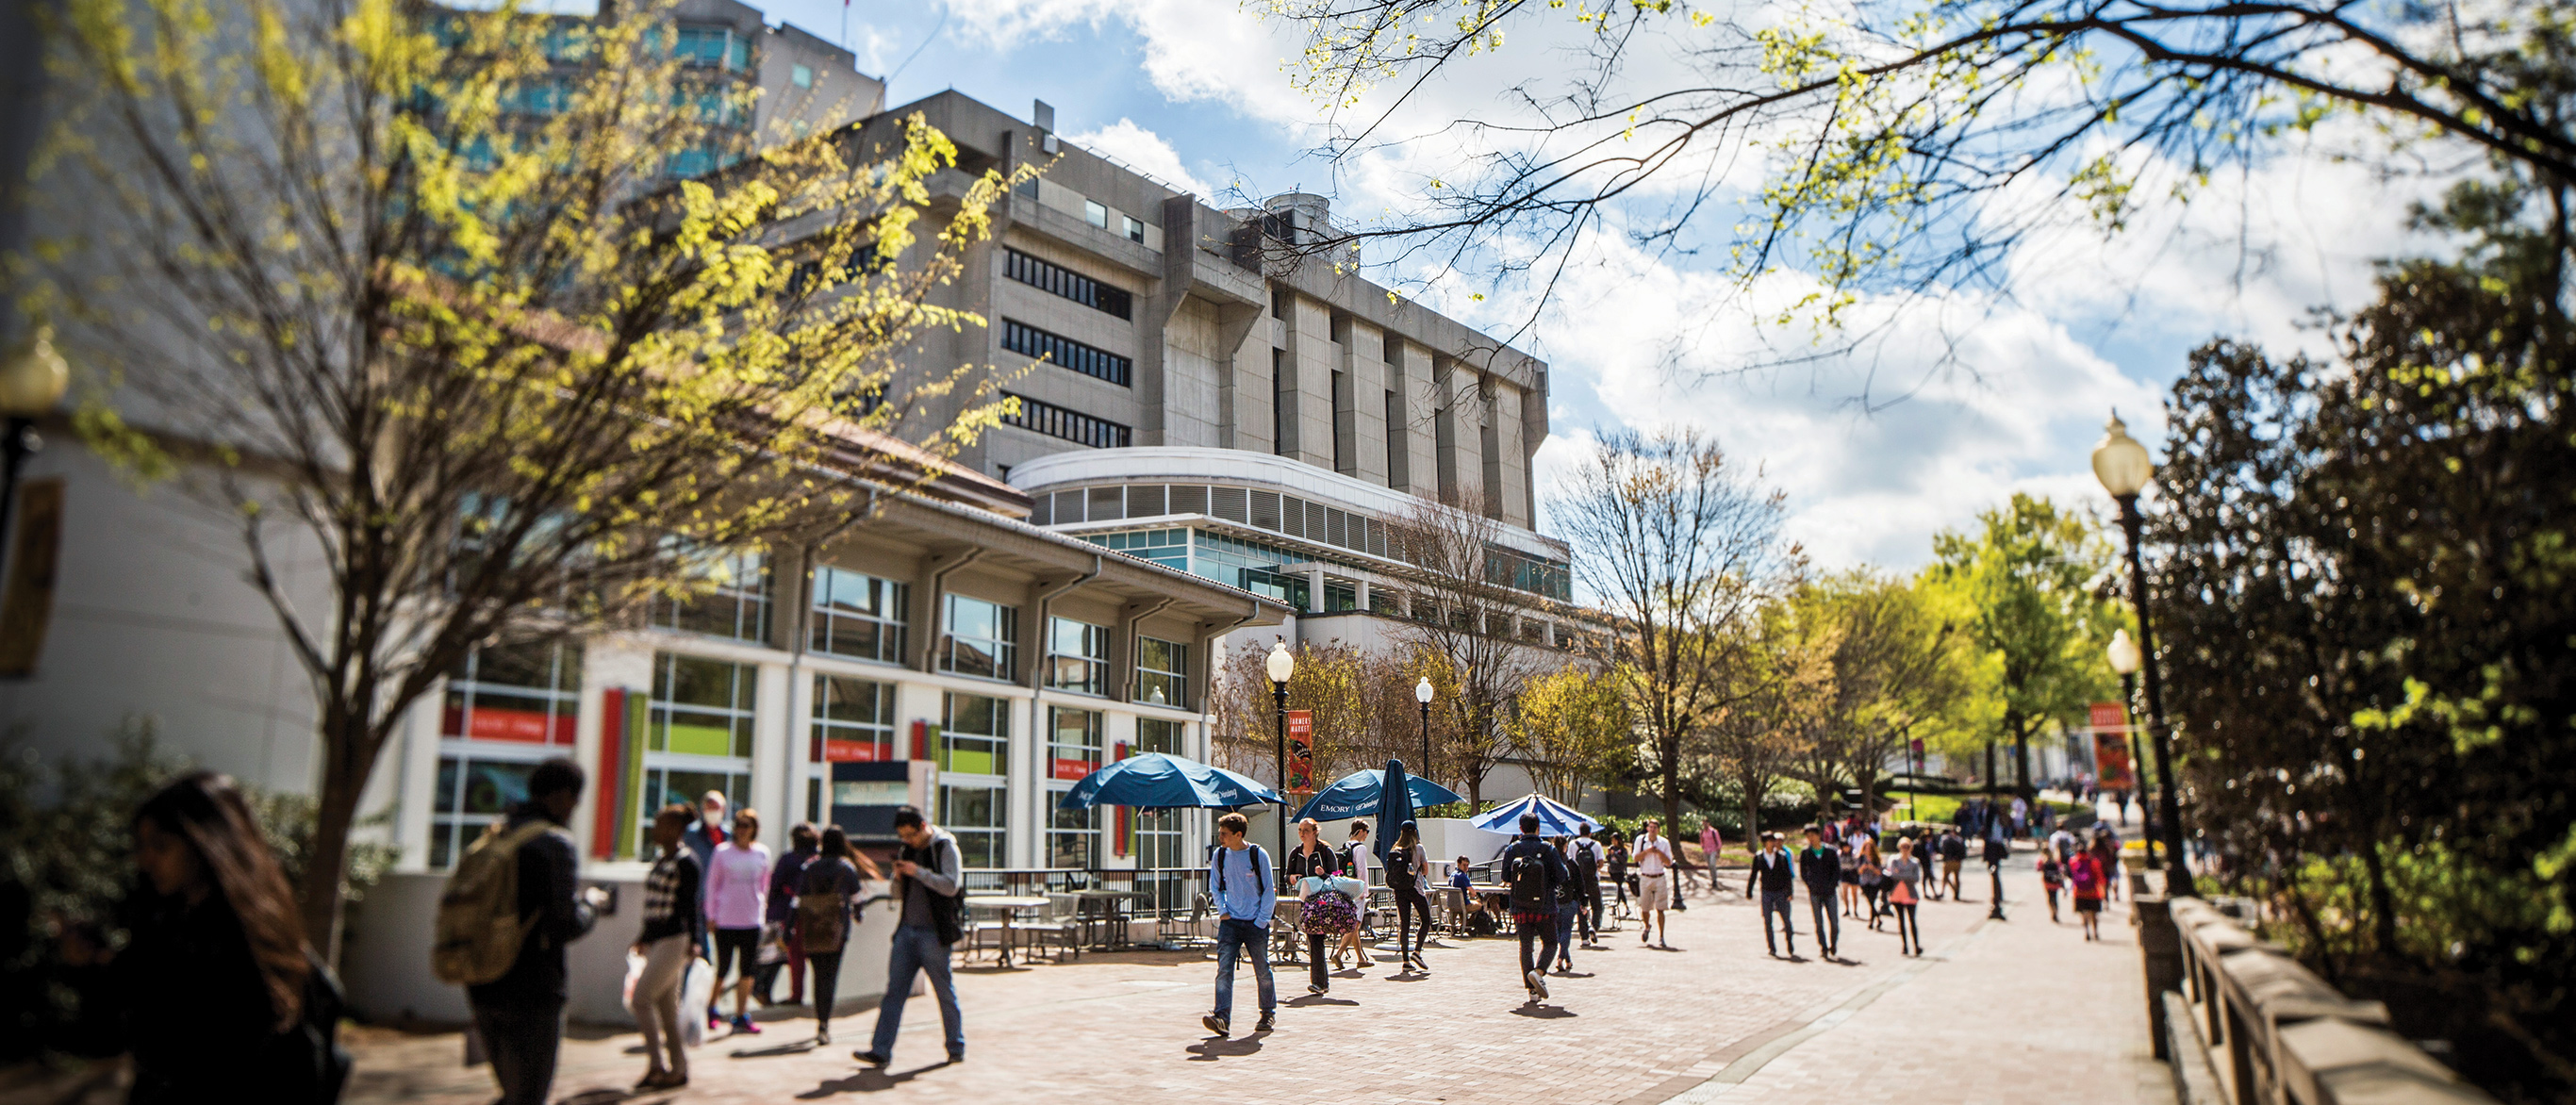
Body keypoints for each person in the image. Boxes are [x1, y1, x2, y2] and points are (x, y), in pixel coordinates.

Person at [59, 771, 349, 1104]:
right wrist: (94, 968)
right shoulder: (167, 922)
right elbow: (106, 1039)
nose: (145, 860)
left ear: (205, 844)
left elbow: (196, 1058)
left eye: (161, 845)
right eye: (141, 846)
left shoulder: (240, 943)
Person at [463, 758, 602, 1105]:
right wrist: (593, 906)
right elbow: (565, 924)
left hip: (482, 981)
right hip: (534, 990)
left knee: (512, 1093)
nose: (576, 807)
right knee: (527, 1096)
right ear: (562, 796)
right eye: (575, 798)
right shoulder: (555, 843)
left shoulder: (498, 833)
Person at [853, 805, 966, 1067]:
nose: (908, 841)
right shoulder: (907, 850)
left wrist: (919, 872)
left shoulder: (945, 847)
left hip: (934, 934)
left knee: (944, 992)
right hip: (906, 931)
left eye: (911, 835)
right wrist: (899, 877)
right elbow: (897, 894)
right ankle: (880, 1050)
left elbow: (951, 885)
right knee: (894, 993)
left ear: (923, 826)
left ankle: (956, 1046)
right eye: (903, 836)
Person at [632, 803, 706, 1091]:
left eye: (660, 824)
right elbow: (654, 906)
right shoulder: (662, 860)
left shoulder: (687, 862)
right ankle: (679, 1068)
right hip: (660, 939)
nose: (655, 829)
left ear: (675, 829)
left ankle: (656, 1066)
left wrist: (696, 942)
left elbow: (689, 907)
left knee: (641, 999)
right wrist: (643, 936)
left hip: (676, 939)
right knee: (666, 1010)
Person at [795, 826, 878, 1045]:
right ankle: (824, 1024)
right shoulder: (846, 868)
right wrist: (858, 915)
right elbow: (858, 899)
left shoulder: (809, 869)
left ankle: (820, 1019)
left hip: (812, 928)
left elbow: (797, 901)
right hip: (837, 930)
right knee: (830, 977)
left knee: (817, 974)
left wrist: (789, 928)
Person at [1201, 812, 1279, 1037]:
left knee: (1262, 969)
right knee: (1224, 970)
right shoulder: (1220, 855)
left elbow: (1268, 890)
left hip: (1255, 923)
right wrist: (1223, 911)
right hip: (1231, 923)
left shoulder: (1258, 855)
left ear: (1238, 834)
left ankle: (1267, 1013)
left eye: (1224, 834)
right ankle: (1221, 1017)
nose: (1220, 838)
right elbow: (1215, 886)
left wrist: (1262, 920)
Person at [703, 808, 772, 1034]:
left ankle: (741, 1013)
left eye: (747, 826)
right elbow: (712, 885)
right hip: (726, 919)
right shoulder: (722, 852)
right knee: (723, 967)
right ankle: (711, 1008)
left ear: (754, 830)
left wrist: (762, 911)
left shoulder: (762, 853)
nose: (742, 830)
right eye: (739, 825)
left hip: (751, 918)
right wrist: (711, 915)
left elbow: (764, 885)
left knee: (747, 969)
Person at [1500, 813, 1570, 1000]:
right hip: (1545, 905)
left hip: (1519, 905)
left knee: (1526, 947)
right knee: (1551, 943)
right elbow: (1563, 876)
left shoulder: (1512, 849)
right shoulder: (1548, 849)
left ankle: (1531, 990)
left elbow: (1506, 876)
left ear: (1520, 829)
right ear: (1538, 827)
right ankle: (1538, 972)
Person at [761, 823, 820, 1008]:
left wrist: (769, 910)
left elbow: (775, 885)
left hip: (790, 914)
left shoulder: (788, 859)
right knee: (817, 957)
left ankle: (795, 994)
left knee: (795, 956)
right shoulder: (818, 859)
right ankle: (819, 994)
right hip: (817, 913)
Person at [1284, 818, 1345, 994]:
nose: (1302, 834)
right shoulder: (1296, 853)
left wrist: (1323, 874)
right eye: (1300, 830)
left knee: (1316, 939)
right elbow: (1286, 876)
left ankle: (1319, 982)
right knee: (1314, 939)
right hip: (1306, 901)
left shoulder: (1325, 851)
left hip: (1323, 901)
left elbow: (1337, 875)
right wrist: (1292, 878)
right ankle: (1321, 982)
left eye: (1306, 830)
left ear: (1315, 832)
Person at [1385, 822, 1434, 973]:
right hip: (1415, 888)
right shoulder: (1418, 848)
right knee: (1426, 919)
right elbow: (1425, 870)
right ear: (1415, 832)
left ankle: (1405, 960)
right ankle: (1417, 952)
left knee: (1404, 925)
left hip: (1399, 890)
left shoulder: (1395, 849)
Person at [1746, 832, 1797, 958]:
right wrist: (1749, 891)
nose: (1773, 843)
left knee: (1786, 920)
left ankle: (1789, 943)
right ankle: (1772, 947)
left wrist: (1789, 892)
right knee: (1768, 920)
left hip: (1781, 891)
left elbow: (1787, 876)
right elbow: (1753, 874)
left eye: (1773, 841)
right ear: (1764, 843)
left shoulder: (1782, 856)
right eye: (1769, 841)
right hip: (1767, 892)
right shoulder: (1759, 857)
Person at [1795, 827, 1842, 960]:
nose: (1811, 838)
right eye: (1808, 836)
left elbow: (1837, 871)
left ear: (1819, 835)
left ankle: (1833, 944)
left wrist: (1832, 884)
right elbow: (1803, 872)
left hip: (1830, 892)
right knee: (1818, 922)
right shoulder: (1806, 853)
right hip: (1815, 892)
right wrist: (1810, 885)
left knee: (1834, 922)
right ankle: (1823, 947)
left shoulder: (1830, 852)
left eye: (1813, 835)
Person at [1337, 820, 1376, 969]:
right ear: (1360, 831)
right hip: (1356, 890)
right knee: (1355, 924)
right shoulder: (1360, 848)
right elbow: (1361, 870)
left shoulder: (1346, 846)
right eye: (1367, 832)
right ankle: (1339, 953)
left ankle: (1360, 959)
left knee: (1354, 925)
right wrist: (1363, 890)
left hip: (1345, 888)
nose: (1366, 835)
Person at [1631, 818, 1675, 948]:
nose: (1652, 830)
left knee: (1660, 908)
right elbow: (1635, 858)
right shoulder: (1641, 840)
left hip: (1659, 876)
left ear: (1658, 830)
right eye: (1650, 827)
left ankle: (1661, 936)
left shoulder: (1664, 842)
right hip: (1645, 876)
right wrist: (1647, 851)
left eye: (1655, 827)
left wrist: (1658, 852)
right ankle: (1647, 926)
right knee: (1645, 908)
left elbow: (1669, 862)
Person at [1886, 838, 1925, 956]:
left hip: (1910, 894)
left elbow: (1916, 878)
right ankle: (1905, 946)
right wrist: (1905, 875)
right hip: (1897, 894)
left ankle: (1916, 945)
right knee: (1901, 921)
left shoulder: (1914, 862)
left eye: (1907, 847)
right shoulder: (1894, 860)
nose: (1905, 849)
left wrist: (1901, 874)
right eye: (1903, 846)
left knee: (1912, 921)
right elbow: (1893, 875)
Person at [1549, 836, 1583, 973]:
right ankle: (1561, 957)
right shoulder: (1571, 864)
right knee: (1566, 930)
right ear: (1565, 846)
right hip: (1569, 900)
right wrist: (1583, 901)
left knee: (1558, 931)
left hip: (1554, 901)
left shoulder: (1550, 863)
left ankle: (1567, 959)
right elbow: (1580, 884)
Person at [1570, 826, 1606, 947]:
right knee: (1597, 906)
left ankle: (1584, 938)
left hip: (1578, 881)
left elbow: (1570, 862)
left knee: (1581, 908)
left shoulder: (1573, 844)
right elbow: (1601, 863)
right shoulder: (1596, 845)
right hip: (1592, 880)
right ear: (1590, 833)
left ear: (1579, 832)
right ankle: (1594, 927)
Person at [2067, 844, 2108, 940]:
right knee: (2094, 914)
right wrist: (2103, 892)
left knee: (2083, 914)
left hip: (2078, 892)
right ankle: (2095, 932)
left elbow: (2072, 876)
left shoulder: (2073, 862)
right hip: (2093, 892)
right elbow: (2100, 878)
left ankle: (2086, 932)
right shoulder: (2094, 862)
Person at [1856, 836, 1886, 930]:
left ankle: (1872, 921)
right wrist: (1863, 867)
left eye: (1869, 848)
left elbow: (1879, 872)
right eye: (1866, 847)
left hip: (1875, 882)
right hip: (1864, 882)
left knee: (1872, 900)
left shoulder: (1876, 858)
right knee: (1870, 902)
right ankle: (1877, 918)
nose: (1868, 850)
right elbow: (1858, 871)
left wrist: (1872, 867)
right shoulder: (1861, 858)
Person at [2089, 825, 2125, 903]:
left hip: (2101, 867)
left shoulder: (2094, 846)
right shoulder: (2111, 844)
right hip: (2111, 865)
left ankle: (2106, 898)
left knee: (2105, 883)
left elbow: (2091, 856)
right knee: (2115, 879)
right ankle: (2115, 894)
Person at [1604, 834, 1631, 920]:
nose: (1613, 842)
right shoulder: (1612, 848)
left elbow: (1624, 860)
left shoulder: (1622, 850)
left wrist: (1616, 854)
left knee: (1619, 890)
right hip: (1612, 871)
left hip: (1619, 871)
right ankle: (1616, 907)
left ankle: (1621, 906)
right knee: (1616, 890)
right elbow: (1608, 859)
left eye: (1614, 840)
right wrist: (1608, 855)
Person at [2039, 840, 2066, 923]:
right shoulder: (2055, 859)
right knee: (2055, 897)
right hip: (2055, 881)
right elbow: (2060, 868)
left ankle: (2052, 911)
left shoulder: (2042, 860)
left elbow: (2038, 868)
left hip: (2046, 881)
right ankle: (2056, 912)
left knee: (2049, 897)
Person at [1938, 827, 1967, 901]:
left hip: (1948, 860)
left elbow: (1942, 849)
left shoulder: (1945, 839)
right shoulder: (1960, 840)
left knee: (1945, 877)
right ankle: (1956, 893)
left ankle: (1947, 891)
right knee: (1956, 877)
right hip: (1957, 861)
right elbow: (1963, 851)